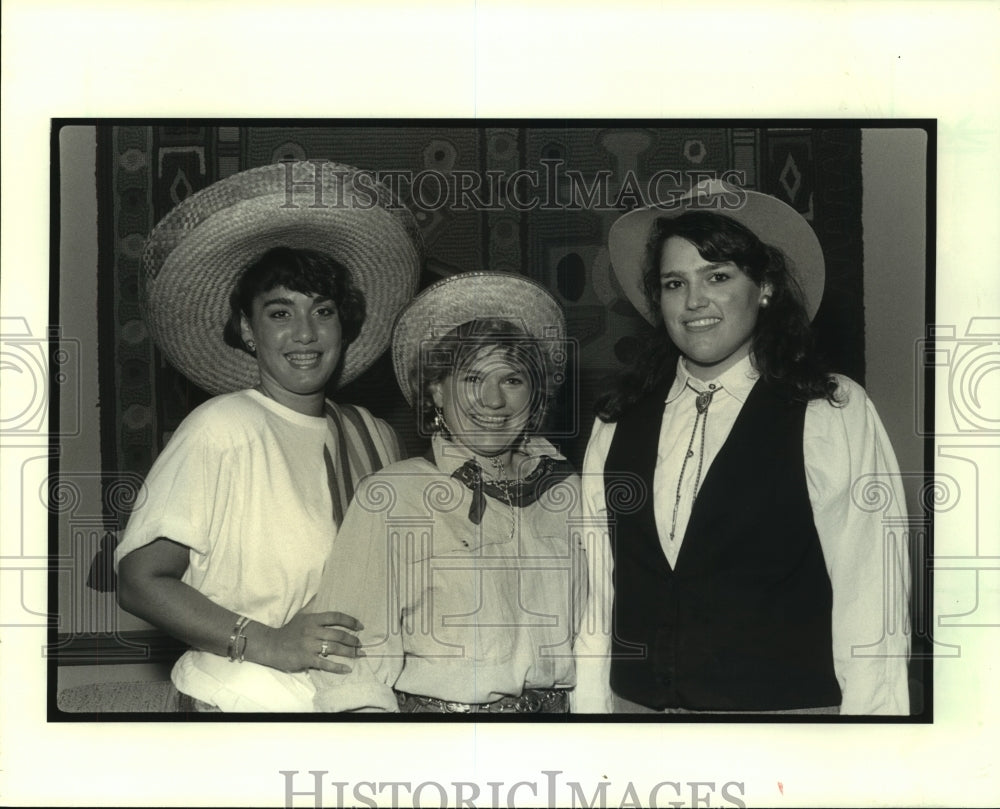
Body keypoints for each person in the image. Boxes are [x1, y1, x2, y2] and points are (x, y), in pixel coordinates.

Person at [574, 179, 911, 715]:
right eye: (674, 283)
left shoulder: (830, 408)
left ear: (765, 288)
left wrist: (870, 745)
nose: (694, 301)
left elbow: (872, 596)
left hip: (783, 728)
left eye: (718, 276)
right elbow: (598, 593)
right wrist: (590, 721)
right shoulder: (617, 418)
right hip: (638, 720)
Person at [115, 163, 422, 712]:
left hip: (352, 704)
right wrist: (271, 642)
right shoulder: (222, 427)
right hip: (240, 702)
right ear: (247, 331)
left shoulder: (375, 436)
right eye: (280, 312)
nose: (305, 333)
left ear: (343, 328)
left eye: (323, 312)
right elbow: (140, 580)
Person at [308, 272, 590, 713]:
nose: (493, 401)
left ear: (535, 395)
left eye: (513, 379)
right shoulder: (393, 497)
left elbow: (596, 635)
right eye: (473, 378)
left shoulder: (570, 492)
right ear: (437, 390)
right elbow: (347, 660)